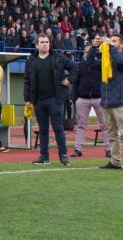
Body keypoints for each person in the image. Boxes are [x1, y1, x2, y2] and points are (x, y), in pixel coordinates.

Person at [23, 34, 78, 166]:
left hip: (55, 99)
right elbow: (27, 81)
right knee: (43, 129)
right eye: (42, 42)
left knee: (58, 128)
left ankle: (63, 155)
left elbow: (75, 68)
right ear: (37, 45)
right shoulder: (31, 61)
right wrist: (27, 99)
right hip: (39, 101)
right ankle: (44, 156)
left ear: (50, 44)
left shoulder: (58, 57)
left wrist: (69, 79)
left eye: (47, 42)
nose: (44, 44)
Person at [89, 35, 123, 171]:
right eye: (110, 41)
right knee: (112, 134)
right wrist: (93, 47)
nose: (110, 43)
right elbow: (90, 64)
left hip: (121, 102)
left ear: (121, 46)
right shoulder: (105, 60)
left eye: (114, 41)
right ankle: (115, 161)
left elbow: (120, 62)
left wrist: (109, 46)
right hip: (107, 102)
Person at [71, 43, 109, 158]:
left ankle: (109, 149)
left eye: (90, 52)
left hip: (99, 98)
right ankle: (78, 149)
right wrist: (75, 98)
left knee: (105, 124)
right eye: (87, 52)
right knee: (81, 125)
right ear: (84, 53)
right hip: (83, 99)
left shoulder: (100, 65)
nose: (88, 54)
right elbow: (76, 83)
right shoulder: (80, 66)